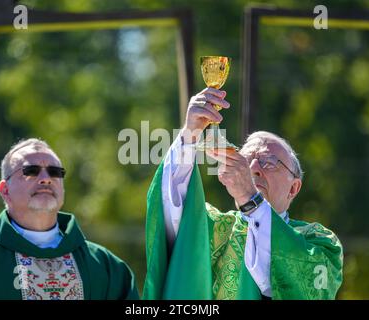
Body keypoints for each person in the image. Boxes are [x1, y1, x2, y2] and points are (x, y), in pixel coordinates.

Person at [143, 88, 343, 300]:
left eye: (270, 162)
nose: (254, 167)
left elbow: (298, 286)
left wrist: (251, 199)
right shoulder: (214, 227)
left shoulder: (319, 242)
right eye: (246, 159)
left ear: (293, 188)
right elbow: (171, 210)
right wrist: (189, 135)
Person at [0, 138, 139, 300]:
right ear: (5, 190)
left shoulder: (105, 267)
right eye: (31, 171)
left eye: (55, 172)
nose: (46, 178)